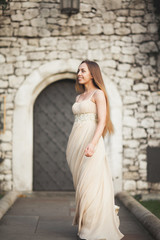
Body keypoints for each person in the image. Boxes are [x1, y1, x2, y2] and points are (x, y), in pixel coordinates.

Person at [66, 60, 124, 240]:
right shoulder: (79, 97)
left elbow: (102, 121)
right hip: (75, 145)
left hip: (92, 143)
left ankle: (94, 228)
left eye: (83, 70)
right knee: (81, 187)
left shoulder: (98, 94)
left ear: (93, 73)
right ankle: (86, 224)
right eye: (78, 71)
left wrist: (92, 143)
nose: (79, 74)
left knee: (89, 186)